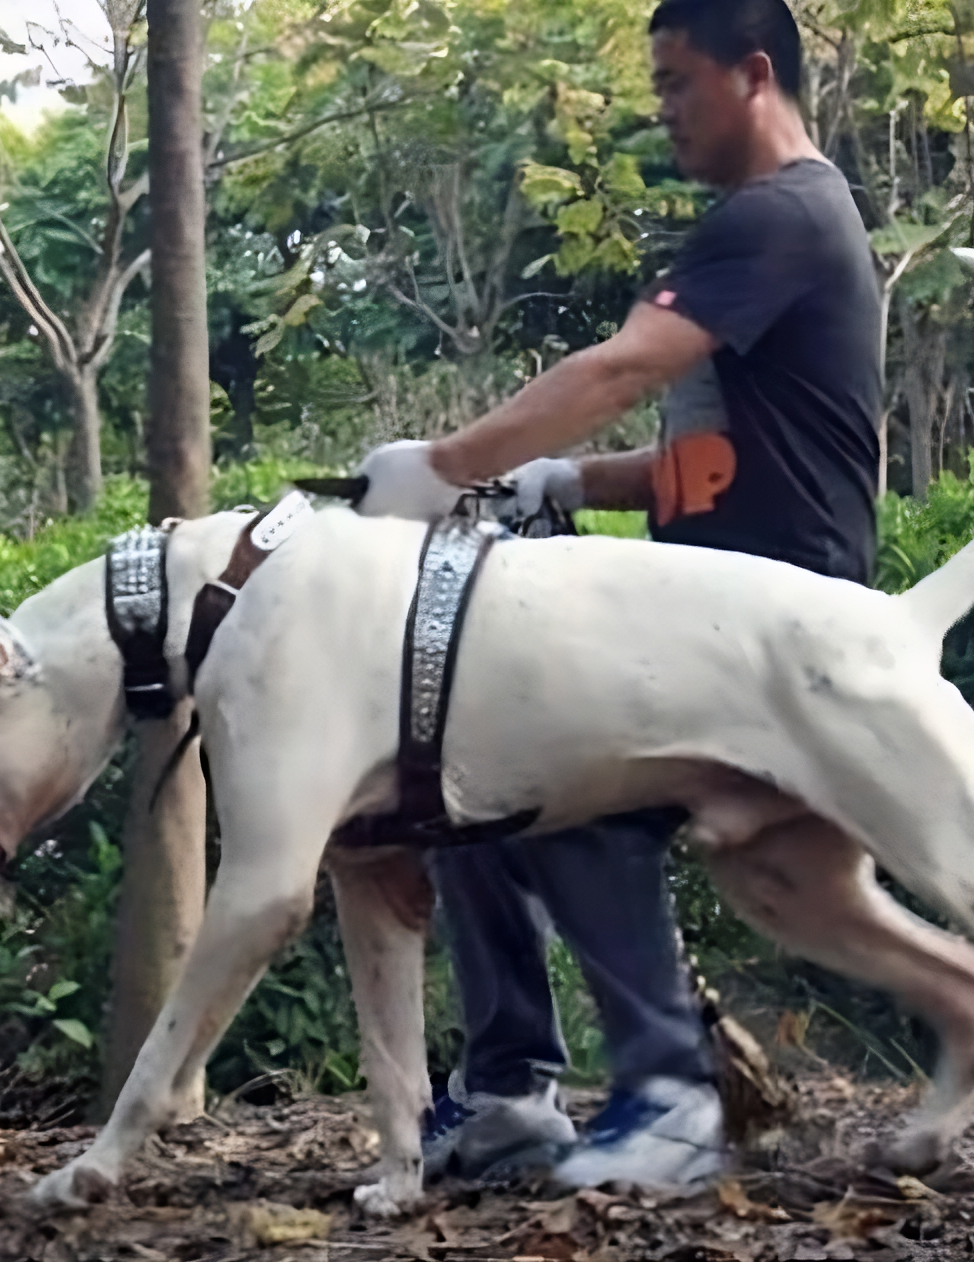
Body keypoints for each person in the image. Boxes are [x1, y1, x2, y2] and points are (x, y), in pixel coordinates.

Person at [353, 0, 886, 1189]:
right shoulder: (770, 230)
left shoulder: (777, 214)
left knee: (564, 786)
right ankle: (509, 1091)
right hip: (720, 601)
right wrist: (560, 479)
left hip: (770, 621)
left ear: (754, 74)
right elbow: (707, 465)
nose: (663, 113)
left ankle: (665, 1095)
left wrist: (448, 466)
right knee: (468, 771)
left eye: (676, 85)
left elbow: (623, 366)